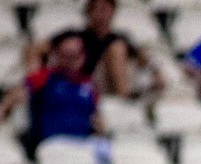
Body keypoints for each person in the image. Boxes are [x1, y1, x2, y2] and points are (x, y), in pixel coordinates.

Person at [0, 32, 110, 163]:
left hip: (83, 142)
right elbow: (18, 93)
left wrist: (100, 127)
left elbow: (96, 116)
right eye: (66, 55)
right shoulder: (44, 78)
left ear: (83, 57)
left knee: (108, 152)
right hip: (54, 143)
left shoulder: (89, 85)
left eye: (75, 56)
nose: (70, 61)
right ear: (57, 55)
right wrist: (0, 110)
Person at [23, 0, 164, 99]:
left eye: (105, 10)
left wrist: (156, 73)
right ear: (88, 12)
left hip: (107, 82)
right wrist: (36, 76)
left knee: (118, 47)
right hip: (80, 83)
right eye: (97, 9)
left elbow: (143, 58)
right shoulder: (76, 35)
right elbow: (36, 48)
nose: (101, 15)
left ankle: (125, 96)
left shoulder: (119, 38)